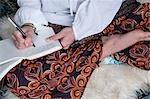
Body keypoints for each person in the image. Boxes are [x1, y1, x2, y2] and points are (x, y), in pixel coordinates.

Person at [3, 0, 150, 98]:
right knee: (21, 80)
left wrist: (77, 30)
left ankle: (102, 48)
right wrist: (30, 23)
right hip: (55, 22)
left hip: (110, 13)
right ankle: (105, 48)